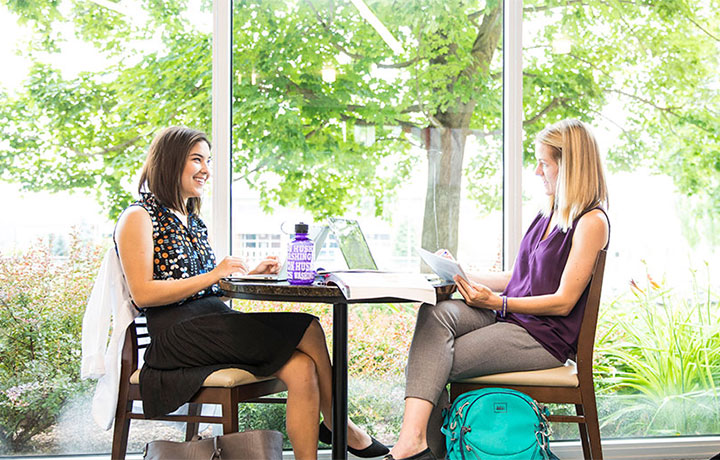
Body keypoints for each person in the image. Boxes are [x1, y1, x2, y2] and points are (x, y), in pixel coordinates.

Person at [114, 126, 388, 460]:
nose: (206, 170)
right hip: (176, 336)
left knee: (301, 367)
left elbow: (201, 289)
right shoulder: (138, 216)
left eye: (208, 161)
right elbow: (143, 294)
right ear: (170, 161)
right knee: (309, 325)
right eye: (196, 159)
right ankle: (337, 423)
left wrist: (247, 276)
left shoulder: (192, 220)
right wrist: (215, 275)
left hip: (210, 322)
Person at [384, 119, 610, 460]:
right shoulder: (548, 213)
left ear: (569, 166)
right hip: (511, 321)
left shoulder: (591, 222)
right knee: (435, 312)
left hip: (542, 338)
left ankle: (416, 448)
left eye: (544, 163)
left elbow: (564, 302)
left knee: (434, 359)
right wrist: (462, 273)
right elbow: (518, 277)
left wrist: (499, 303)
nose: (537, 172)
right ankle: (414, 445)